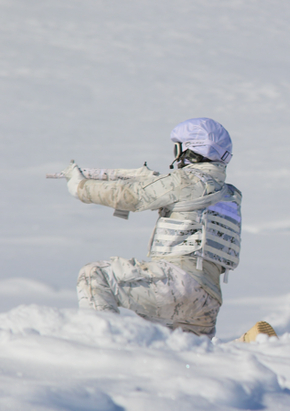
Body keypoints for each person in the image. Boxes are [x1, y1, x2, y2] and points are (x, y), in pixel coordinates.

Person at [62, 118, 241, 337]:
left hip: (178, 284)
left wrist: (80, 187)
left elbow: (130, 196)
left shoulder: (186, 180)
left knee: (94, 275)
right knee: (181, 352)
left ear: (188, 150)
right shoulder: (230, 195)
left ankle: (100, 345)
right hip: (208, 302)